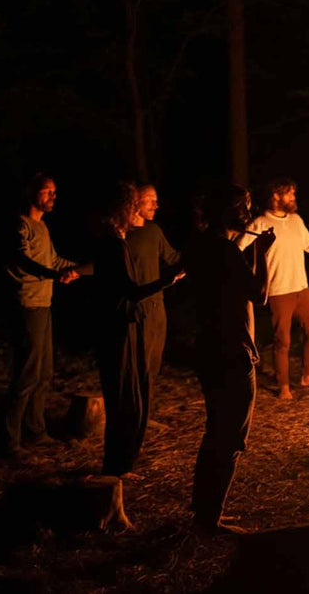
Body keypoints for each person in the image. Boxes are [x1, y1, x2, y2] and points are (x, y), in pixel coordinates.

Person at [183, 184, 276, 534]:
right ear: (233, 211)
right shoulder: (224, 250)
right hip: (231, 348)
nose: (249, 212)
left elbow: (232, 277)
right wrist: (264, 253)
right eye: (246, 206)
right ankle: (209, 519)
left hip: (208, 346)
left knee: (215, 430)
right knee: (231, 435)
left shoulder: (203, 246)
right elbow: (260, 294)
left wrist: (247, 249)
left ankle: (204, 512)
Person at [94, 182, 184, 478]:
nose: (147, 210)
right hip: (120, 325)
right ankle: (115, 467)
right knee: (124, 397)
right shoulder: (112, 243)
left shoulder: (126, 239)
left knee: (135, 393)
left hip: (133, 320)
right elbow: (128, 290)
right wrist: (165, 282)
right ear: (126, 209)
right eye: (139, 204)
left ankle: (123, 465)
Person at [0, 174, 85, 460]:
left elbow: (53, 261)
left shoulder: (42, 227)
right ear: (30, 193)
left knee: (44, 373)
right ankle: (7, 442)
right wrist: (53, 274)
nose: (53, 197)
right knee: (26, 375)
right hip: (27, 305)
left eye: (55, 193)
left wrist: (81, 268)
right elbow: (24, 260)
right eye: (47, 192)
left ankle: (35, 432)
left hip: (43, 304)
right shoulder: (19, 225)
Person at [237, 179, 309, 399]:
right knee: (282, 339)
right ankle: (284, 386)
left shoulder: (296, 220)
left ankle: (307, 376)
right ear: (276, 196)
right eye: (289, 194)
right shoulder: (260, 223)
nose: (293, 197)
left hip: (301, 288)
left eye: (294, 193)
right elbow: (238, 246)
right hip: (278, 289)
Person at [124, 184, 181, 423]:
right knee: (139, 366)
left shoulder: (153, 231)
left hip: (158, 306)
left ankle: (145, 415)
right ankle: (135, 416)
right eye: (150, 201)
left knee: (153, 365)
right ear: (135, 202)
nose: (156, 205)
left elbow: (173, 258)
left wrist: (202, 256)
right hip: (136, 308)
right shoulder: (122, 235)